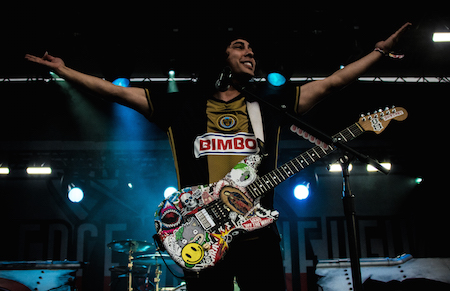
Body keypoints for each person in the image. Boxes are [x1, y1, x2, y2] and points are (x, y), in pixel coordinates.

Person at [25, 22, 411, 291]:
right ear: (220, 55)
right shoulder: (182, 107)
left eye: (252, 48)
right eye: (240, 46)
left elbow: (333, 83)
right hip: (203, 229)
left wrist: (379, 52)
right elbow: (113, 92)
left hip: (257, 233)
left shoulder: (269, 104)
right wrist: (65, 71)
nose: (251, 52)